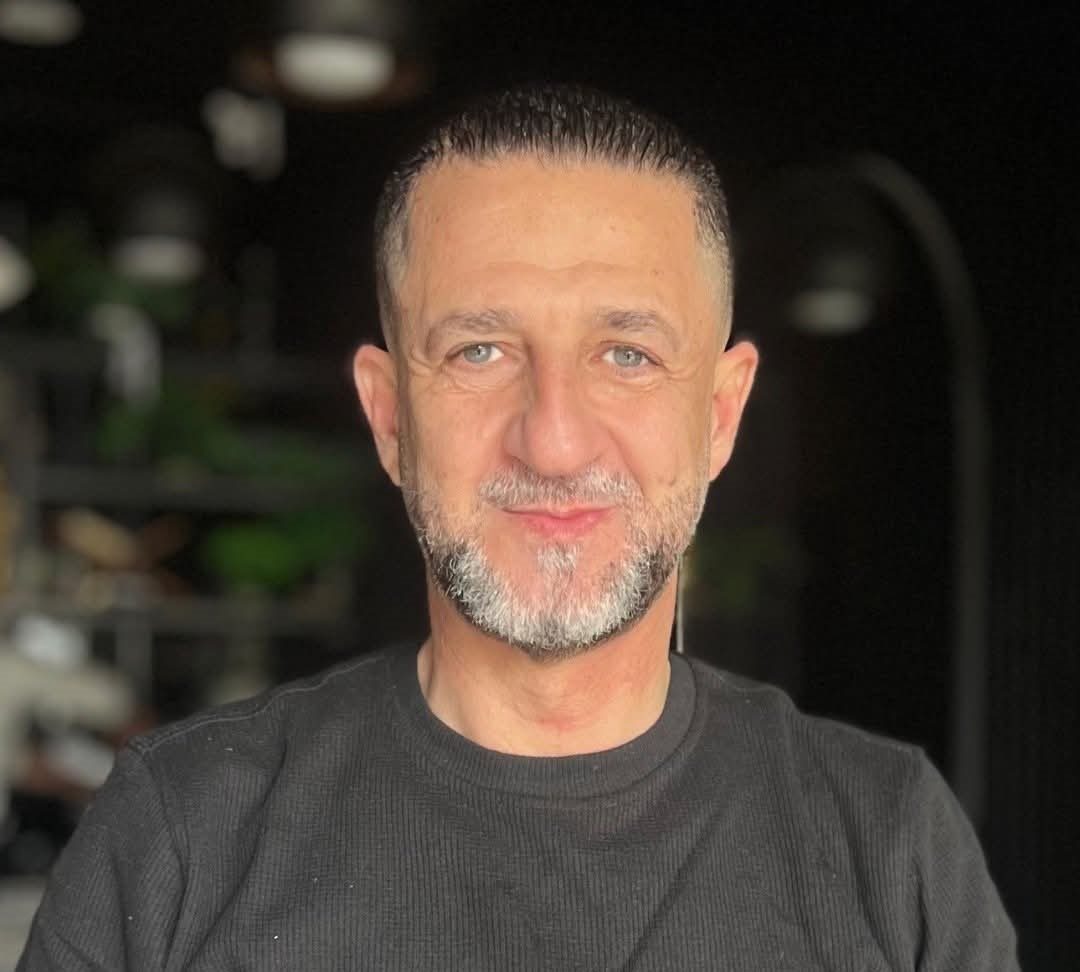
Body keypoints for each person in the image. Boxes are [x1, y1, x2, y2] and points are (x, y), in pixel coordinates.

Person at [19, 84, 1018, 971]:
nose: (553, 440)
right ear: (390, 417)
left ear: (720, 414)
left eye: (626, 354)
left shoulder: (888, 846)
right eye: (481, 351)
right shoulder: (183, 834)